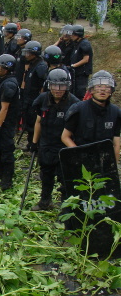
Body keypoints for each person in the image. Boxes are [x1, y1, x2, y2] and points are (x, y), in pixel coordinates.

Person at [31, 69, 80, 210]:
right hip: (46, 144)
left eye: (62, 86)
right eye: (54, 86)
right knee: (46, 175)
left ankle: (65, 211)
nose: (58, 90)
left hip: (63, 147)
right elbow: (38, 121)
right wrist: (34, 142)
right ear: (49, 85)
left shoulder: (74, 104)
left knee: (65, 180)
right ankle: (45, 201)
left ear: (67, 86)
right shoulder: (42, 99)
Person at [62, 70, 121, 163]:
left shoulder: (116, 112)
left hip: (104, 161)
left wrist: (113, 165)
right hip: (80, 160)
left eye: (107, 87)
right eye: (99, 86)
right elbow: (65, 137)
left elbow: (116, 143)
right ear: (91, 90)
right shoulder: (78, 109)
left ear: (111, 90)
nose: (103, 90)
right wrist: (79, 154)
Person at [0, 54, 20, 190]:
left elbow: (5, 108)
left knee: (6, 150)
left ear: (6, 69)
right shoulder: (2, 80)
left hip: (6, 124)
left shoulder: (9, 84)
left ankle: (7, 180)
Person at [20, 41, 48, 150]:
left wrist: (40, 98)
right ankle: (29, 143)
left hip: (35, 98)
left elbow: (43, 83)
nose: (26, 55)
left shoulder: (41, 66)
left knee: (33, 123)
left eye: (28, 53)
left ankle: (34, 145)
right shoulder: (32, 64)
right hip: (28, 98)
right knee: (28, 122)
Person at [70, 24, 93, 100]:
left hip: (82, 73)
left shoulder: (84, 44)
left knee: (80, 92)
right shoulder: (77, 43)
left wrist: (74, 65)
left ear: (78, 35)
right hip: (76, 73)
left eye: (73, 34)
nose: (71, 36)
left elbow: (86, 59)